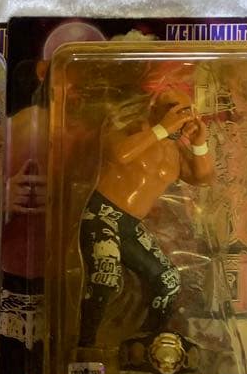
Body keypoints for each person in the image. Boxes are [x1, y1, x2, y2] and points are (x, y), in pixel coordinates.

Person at [78, 70, 214, 348]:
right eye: (173, 108)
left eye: (185, 110)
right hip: (101, 213)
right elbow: (119, 154)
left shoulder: (175, 151)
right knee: (106, 275)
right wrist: (161, 128)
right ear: (154, 108)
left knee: (168, 280)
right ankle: (85, 345)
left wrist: (200, 143)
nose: (180, 116)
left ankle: (149, 342)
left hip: (129, 224)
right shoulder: (131, 128)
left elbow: (203, 178)